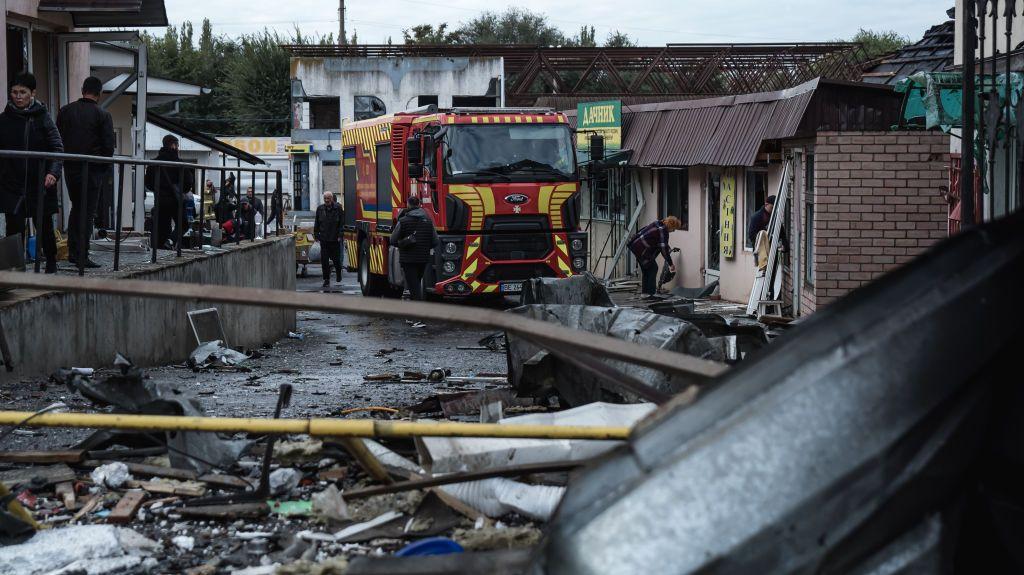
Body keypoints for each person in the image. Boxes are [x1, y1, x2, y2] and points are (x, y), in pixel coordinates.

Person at [0, 72, 63, 273]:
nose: (18, 96)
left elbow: (57, 147)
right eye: (14, 92)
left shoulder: (42, 117)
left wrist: (53, 172)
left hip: (40, 181)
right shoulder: (4, 119)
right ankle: (16, 270)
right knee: (14, 227)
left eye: (22, 92)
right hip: (12, 182)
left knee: (43, 224)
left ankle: (51, 263)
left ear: (32, 93)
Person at [57, 76, 114, 268]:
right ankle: (82, 254)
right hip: (92, 170)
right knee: (87, 212)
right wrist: (103, 170)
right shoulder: (103, 115)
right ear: (99, 94)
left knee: (76, 208)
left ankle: (74, 252)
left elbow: (58, 140)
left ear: (83, 90)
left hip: (70, 168)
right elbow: (108, 148)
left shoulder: (65, 111)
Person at [144, 135, 194, 249]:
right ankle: (171, 241)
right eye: (177, 145)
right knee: (183, 224)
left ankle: (160, 253)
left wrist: (159, 189)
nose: (178, 148)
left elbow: (148, 183)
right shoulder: (179, 163)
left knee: (162, 227)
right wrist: (180, 189)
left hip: (160, 200)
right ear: (173, 145)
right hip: (176, 200)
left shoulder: (154, 163)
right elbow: (188, 183)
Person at [390, 196, 439, 301]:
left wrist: (402, 244)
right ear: (419, 205)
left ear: (408, 204)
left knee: (414, 286)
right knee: (416, 283)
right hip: (423, 259)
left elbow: (392, 240)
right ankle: (415, 310)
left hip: (408, 260)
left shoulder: (403, 221)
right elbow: (435, 241)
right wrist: (424, 247)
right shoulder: (429, 221)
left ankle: (417, 313)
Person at [628, 216, 681, 299]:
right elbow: (663, 248)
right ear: (671, 226)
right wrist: (671, 264)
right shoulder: (663, 230)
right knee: (653, 268)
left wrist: (667, 247)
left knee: (646, 269)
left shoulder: (658, 223)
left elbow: (660, 242)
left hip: (635, 245)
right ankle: (651, 294)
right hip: (642, 249)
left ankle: (645, 293)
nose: (673, 231)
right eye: (673, 229)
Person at [314, 191, 343, 289]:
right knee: (324, 261)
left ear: (332, 199)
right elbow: (317, 222)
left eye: (328, 199)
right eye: (325, 199)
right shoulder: (320, 209)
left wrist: (340, 235)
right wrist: (316, 235)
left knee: (336, 260)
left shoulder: (338, 208)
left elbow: (342, 223)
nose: (326, 200)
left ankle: (339, 273)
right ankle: (326, 279)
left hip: (335, 239)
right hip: (324, 239)